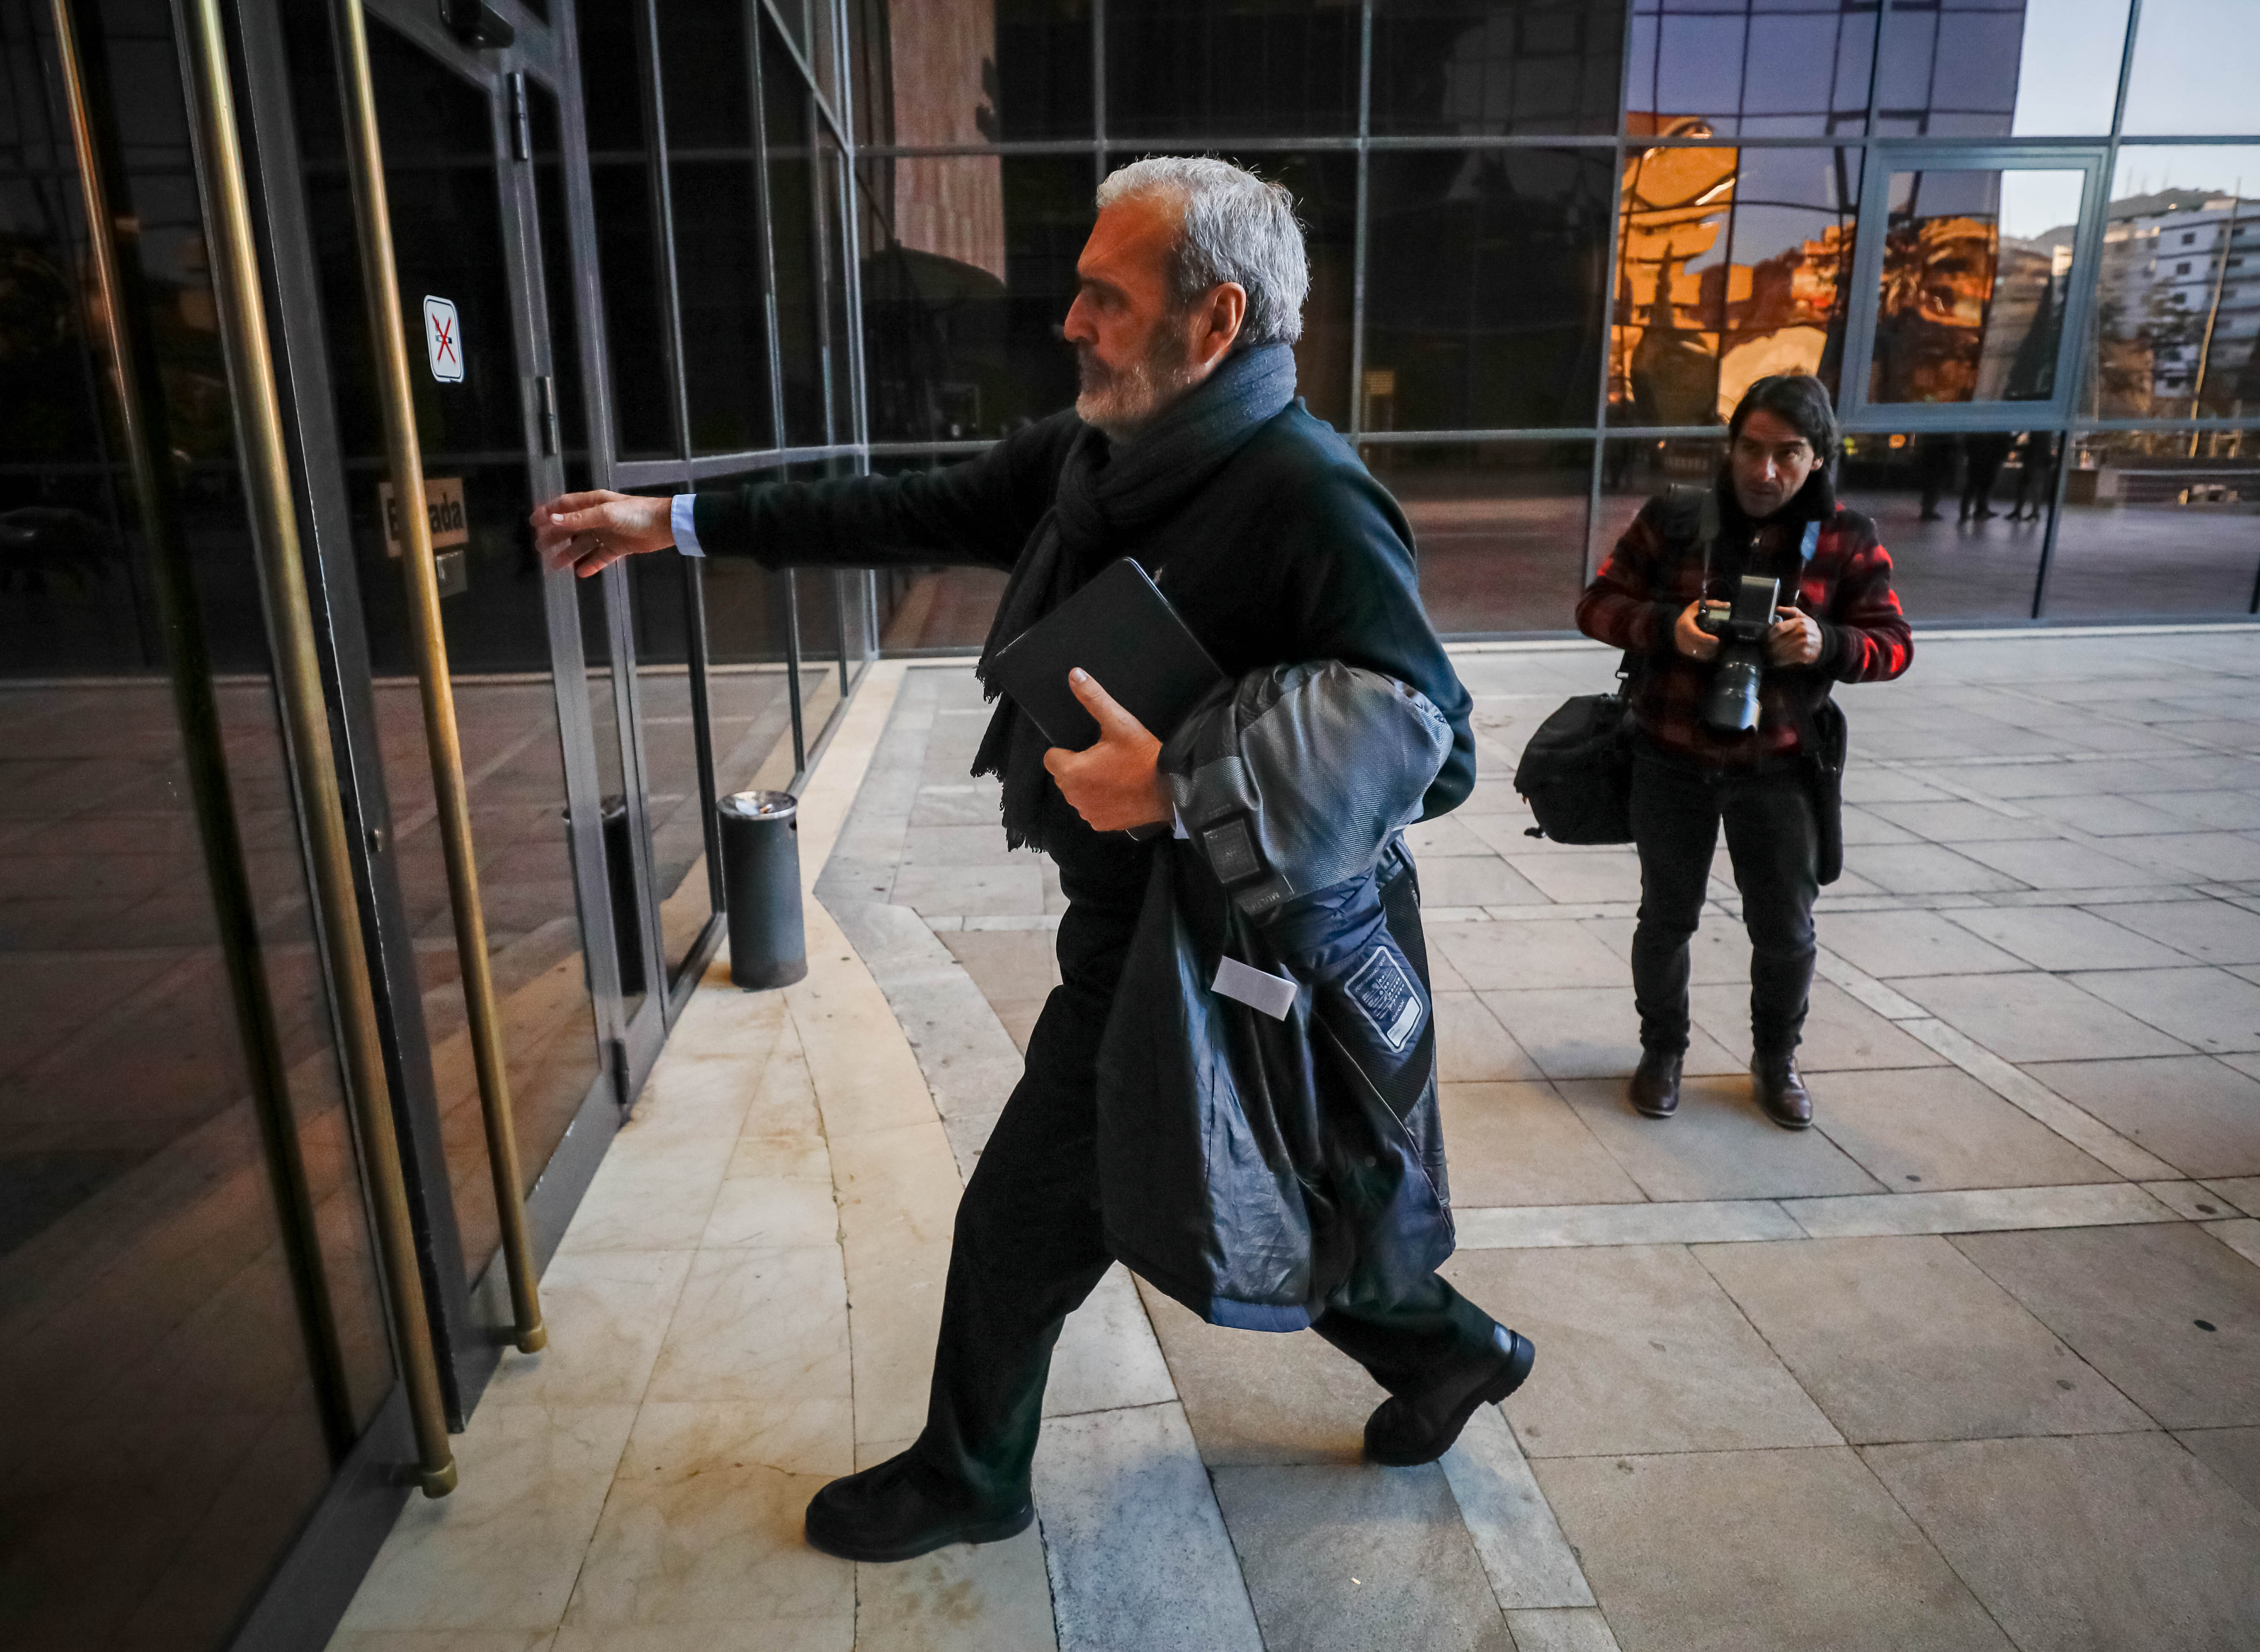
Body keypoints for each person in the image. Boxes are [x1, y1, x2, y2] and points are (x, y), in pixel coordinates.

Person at [532, 158, 1531, 1563]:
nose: (1068, 320)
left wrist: (1180, 783)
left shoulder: (1309, 493)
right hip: (1131, 922)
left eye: (1103, 298)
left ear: (1214, 318)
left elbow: (1433, 745)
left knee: (1030, 1214)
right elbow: (897, 506)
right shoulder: (1097, 460)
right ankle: (1449, 1350)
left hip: (1230, 937)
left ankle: (971, 1473)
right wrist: (673, 523)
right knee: (1221, 1176)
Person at [1576, 374, 1911, 1129]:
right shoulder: (1674, 517)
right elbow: (1594, 604)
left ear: (1819, 456)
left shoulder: (1845, 536)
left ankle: (1775, 1061)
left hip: (1782, 766)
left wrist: (1828, 642)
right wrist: (1671, 628)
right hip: (1671, 755)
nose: (1766, 472)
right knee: (1666, 918)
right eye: (1752, 451)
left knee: (1786, 930)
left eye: (1788, 454)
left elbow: (1895, 646)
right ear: (1729, 448)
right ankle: (1662, 1051)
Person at [1958, 430, 2013, 522]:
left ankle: (1969, 512)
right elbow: (2004, 445)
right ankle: (1980, 510)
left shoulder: (1977, 429)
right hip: (1990, 462)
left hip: (1977, 461)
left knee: (1973, 487)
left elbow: (1968, 444)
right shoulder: (1999, 431)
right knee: (1984, 487)